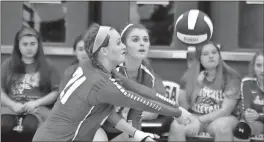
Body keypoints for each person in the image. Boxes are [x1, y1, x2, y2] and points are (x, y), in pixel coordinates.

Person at [33, 23, 197, 142]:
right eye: (119, 43)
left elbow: (133, 93)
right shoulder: (101, 84)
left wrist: (137, 134)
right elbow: (141, 101)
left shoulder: (91, 65)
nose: (123, 47)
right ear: (104, 51)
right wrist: (179, 113)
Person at [102, 23, 173, 141]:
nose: (142, 43)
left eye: (145, 40)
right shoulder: (111, 71)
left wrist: (138, 136)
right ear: (123, 46)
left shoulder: (148, 76)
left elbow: (135, 116)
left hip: (121, 129)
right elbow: (103, 112)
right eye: (135, 40)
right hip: (95, 125)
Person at [168, 41, 241, 141]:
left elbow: (225, 111)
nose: (211, 56)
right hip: (195, 116)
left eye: (214, 53)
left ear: (219, 56)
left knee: (222, 128)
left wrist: (200, 120)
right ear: (199, 59)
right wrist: (197, 86)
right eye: (205, 54)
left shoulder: (231, 77)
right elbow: (184, 107)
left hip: (221, 119)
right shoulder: (189, 76)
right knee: (176, 126)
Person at [1, 26, 60, 142]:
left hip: (37, 108)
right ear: (18, 45)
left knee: (29, 127)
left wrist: (36, 103)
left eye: (33, 44)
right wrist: (13, 105)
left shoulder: (48, 65)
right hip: (12, 107)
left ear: (38, 45)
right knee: (4, 126)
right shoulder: (8, 65)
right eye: (25, 44)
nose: (29, 48)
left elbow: (56, 92)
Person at [236, 50, 264, 137]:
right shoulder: (247, 83)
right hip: (256, 123)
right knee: (241, 130)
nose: (262, 70)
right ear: (253, 67)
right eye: (259, 65)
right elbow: (245, 109)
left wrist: (259, 116)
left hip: (259, 119)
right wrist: (247, 114)